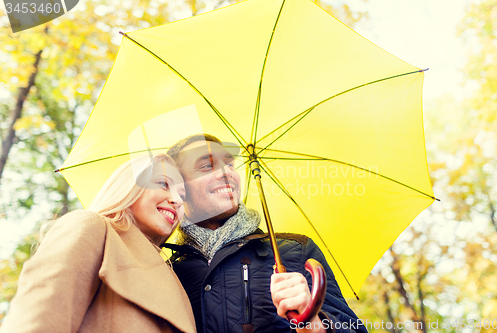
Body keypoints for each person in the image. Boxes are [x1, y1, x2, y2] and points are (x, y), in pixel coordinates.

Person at [164, 134, 367, 333]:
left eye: (229, 164)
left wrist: (312, 322)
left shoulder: (296, 251)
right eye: (207, 166)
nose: (226, 173)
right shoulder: (168, 273)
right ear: (179, 189)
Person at [0, 154, 196, 333]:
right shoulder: (92, 227)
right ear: (130, 185)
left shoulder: (173, 275)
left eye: (182, 195)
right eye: (163, 183)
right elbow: (39, 316)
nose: (177, 200)